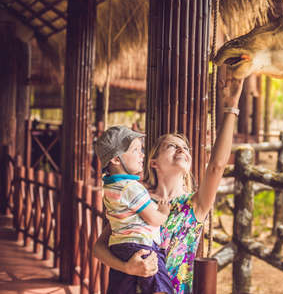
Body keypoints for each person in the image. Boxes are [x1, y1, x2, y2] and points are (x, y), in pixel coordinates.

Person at [94, 75, 244, 293]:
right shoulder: (138, 197)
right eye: (172, 146)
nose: (182, 149)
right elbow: (99, 248)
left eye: (185, 148)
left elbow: (216, 166)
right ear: (153, 162)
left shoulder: (194, 205)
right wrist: (127, 267)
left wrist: (231, 108)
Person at [94, 126, 174, 294]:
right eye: (135, 150)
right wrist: (164, 211)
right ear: (116, 159)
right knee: (161, 288)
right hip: (142, 246)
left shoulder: (111, 188)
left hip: (119, 249)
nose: (142, 154)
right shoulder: (131, 187)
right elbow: (154, 219)